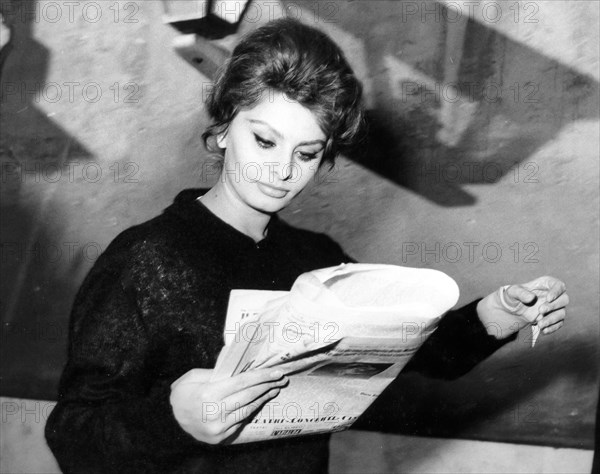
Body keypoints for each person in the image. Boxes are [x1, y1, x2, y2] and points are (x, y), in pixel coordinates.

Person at [45, 17, 569, 474]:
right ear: (224, 129)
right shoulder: (149, 257)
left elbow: (423, 350)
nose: (283, 172)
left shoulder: (318, 258)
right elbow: (74, 436)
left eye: (308, 153)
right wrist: (170, 419)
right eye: (265, 141)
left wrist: (499, 312)